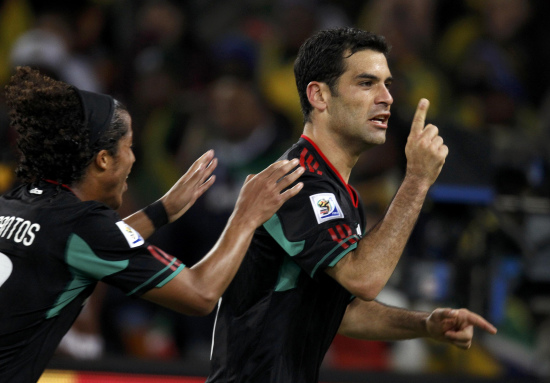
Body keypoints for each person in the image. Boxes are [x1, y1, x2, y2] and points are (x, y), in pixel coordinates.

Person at [206, 27, 498, 383]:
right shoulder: (295, 182)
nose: (387, 97)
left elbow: (346, 311)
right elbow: (363, 278)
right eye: (366, 83)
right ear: (319, 96)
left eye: (388, 84)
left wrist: (424, 324)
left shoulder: (337, 191)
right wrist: (417, 180)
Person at [0, 66, 304, 383]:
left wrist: (162, 211)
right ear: (103, 159)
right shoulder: (83, 223)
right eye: (128, 147)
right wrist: (246, 215)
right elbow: (200, 295)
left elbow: (97, 242)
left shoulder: (17, 202)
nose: (133, 159)